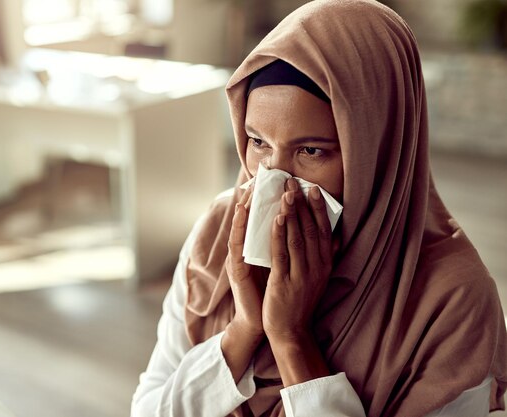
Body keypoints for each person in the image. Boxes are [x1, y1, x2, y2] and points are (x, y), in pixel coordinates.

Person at [131, 0, 507, 416]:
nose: (274, 180)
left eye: (311, 150)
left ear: (377, 151)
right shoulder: (219, 234)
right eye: (258, 142)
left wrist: (291, 339)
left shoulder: (453, 300)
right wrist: (243, 330)